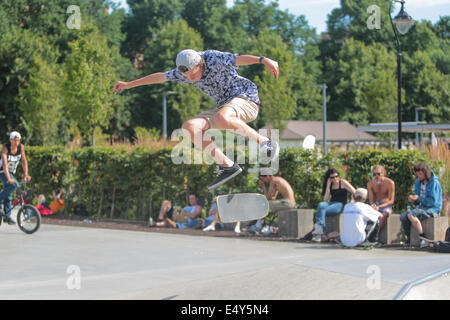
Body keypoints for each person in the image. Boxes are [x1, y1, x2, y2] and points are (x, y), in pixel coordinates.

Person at [114, 49, 280, 190]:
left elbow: (239, 59)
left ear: (200, 64)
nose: (191, 78)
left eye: (194, 74)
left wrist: (263, 60)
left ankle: (266, 143)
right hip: (224, 107)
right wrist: (128, 84)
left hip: (246, 99)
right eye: (187, 76)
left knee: (222, 117)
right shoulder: (182, 73)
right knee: (189, 127)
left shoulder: (213, 58)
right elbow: (159, 77)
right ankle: (227, 165)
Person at [400, 162, 442, 247]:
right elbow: (417, 200)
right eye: (417, 174)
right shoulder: (418, 182)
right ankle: (409, 238)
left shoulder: (434, 183)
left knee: (411, 214)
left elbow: (433, 202)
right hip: (421, 208)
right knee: (403, 216)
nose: (419, 176)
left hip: (432, 209)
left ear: (426, 173)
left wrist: (418, 198)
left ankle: (423, 238)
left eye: (420, 174)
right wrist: (413, 199)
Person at [312, 168, 355, 242]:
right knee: (321, 205)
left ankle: (320, 233)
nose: (335, 178)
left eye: (336, 176)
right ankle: (320, 233)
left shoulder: (343, 182)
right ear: (329, 178)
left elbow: (355, 191)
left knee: (321, 211)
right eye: (332, 177)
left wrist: (352, 201)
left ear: (339, 176)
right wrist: (328, 185)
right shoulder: (330, 184)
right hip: (331, 203)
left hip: (340, 204)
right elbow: (325, 199)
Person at [0, 131, 31, 225]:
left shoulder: (21, 147)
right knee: (14, 185)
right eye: (14, 140)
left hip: (10, 172)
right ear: (10, 140)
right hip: (1, 171)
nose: (16, 142)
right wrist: (9, 178)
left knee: (8, 192)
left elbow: (24, 160)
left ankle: (7, 216)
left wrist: (26, 174)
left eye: (18, 140)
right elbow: (5, 165)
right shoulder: (5, 148)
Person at [367, 165, 395, 236]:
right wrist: (373, 205)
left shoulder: (390, 183)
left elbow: (391, 200)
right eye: (374, 174)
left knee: (384, 215)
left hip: (386, 205)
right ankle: (366, 234)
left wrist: (379, 207)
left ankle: (376, 234)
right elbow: (371, 199)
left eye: (378, 174)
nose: (376, 176)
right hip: (376, 204)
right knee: (367, 215)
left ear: (383, 173)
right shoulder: (370, 184)